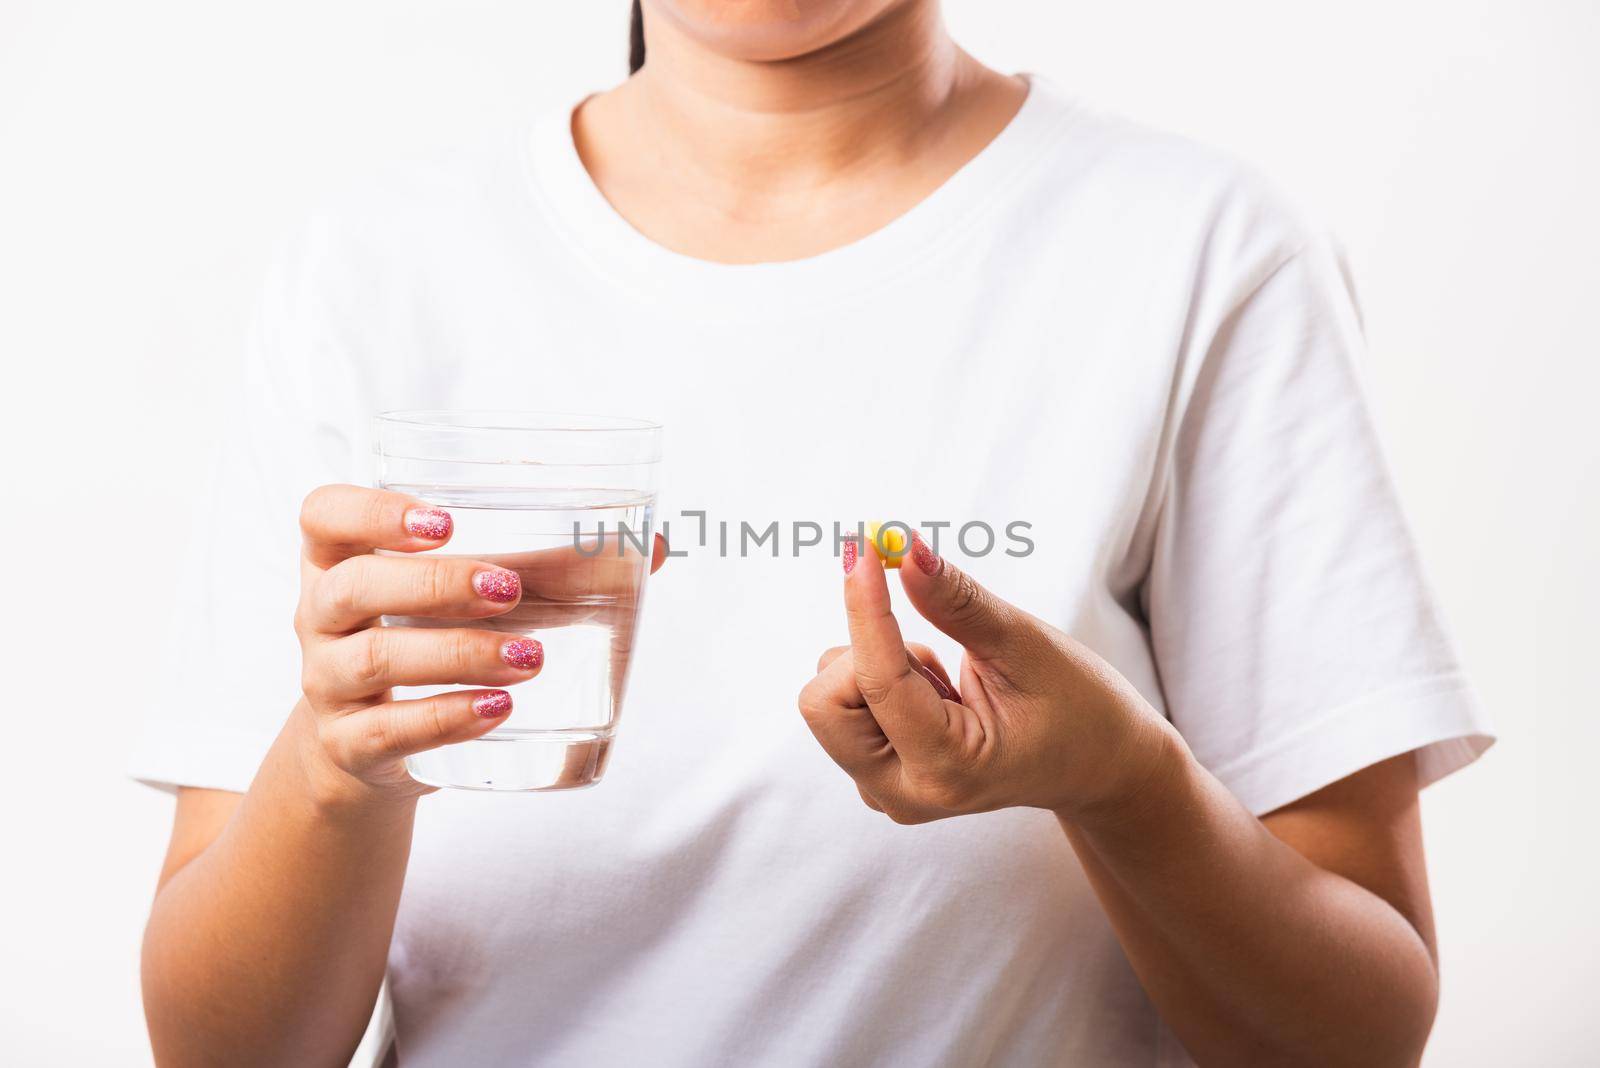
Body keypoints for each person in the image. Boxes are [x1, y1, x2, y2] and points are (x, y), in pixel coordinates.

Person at [133, 1, 1494, 1064]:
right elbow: (221, 1054)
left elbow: (1356, 1043)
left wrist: (1124, 786)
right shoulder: (380, 274)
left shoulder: (1200, 254)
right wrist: (337, 773)